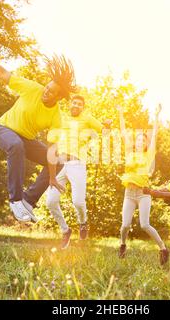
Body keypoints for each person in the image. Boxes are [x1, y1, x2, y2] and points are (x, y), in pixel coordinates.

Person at [0, 41, 78, 224]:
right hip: (4, 130)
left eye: (51, 92)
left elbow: (52, 150)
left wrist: (52, 177)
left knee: (60, 160)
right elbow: (3, 72)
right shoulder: (32, 88)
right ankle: (16, 200)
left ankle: (28, 200)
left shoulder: (56, 117)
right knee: (16, 145)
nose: (46, 92)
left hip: (26, 140)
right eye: (47, 87)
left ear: (59, 97)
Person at [46, 95, 112, 249]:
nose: (76, 105)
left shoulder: (87, 118)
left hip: (77, 164)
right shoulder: (61, 118)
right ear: (70, 104)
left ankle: (83, 223)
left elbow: (104, 132)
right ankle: (65, 230)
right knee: (51, 202)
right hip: (60, 165)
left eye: (79, 104)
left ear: (83, 107)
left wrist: (107, 126)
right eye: (74, 103)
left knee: (78, 201)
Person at [117, 104, 170, 265]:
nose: (140, 141)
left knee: (145, 224)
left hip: (143, 194)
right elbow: (123, 133)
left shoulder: (148, 155)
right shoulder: (129, 153)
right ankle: (122, 245)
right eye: (138, 139)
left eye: (143, 140)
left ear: (146, 144)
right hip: (129, 193)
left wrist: (156, 116)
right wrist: (120, 113)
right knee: (125, 225)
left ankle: (163, 248)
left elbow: (154, 135)